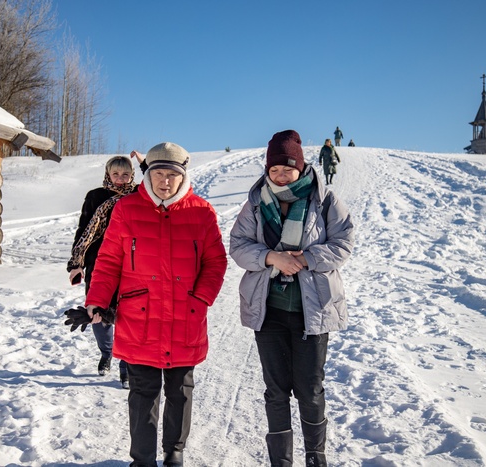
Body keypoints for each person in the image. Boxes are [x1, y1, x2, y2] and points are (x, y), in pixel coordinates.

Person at [85, 142, 227, 467]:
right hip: (139, 317)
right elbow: (108, 261)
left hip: (185, 316)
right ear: (148, 175)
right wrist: (97, 300)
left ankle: (174, 453)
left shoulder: (201, 212)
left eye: (172, 175)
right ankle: (142, 459)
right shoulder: (126, 209)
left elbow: (216, 261)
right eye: (159, 173)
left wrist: (201, 298)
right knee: (142, 393)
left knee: (180, 390)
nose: (165, 181)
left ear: (183, 176)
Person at [229, 130, 354, 467]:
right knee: (275, 390)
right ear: (267, 171)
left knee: (310, 389)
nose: (280, 176)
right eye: (274, 170)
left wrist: (307, 259)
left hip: (311, 312)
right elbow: (238, 245)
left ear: (300, 167)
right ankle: (280, 462)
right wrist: (272, 258)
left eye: (287, 169)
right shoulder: (256, 202)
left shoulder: (324, 200)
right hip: (268, 311)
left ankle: (316, 457)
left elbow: (343, 242)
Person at [67, 153, 146, 389]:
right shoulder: (96, 196)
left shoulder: (140, 195)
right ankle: (106, 352)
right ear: (107, 174)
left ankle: (125, 367)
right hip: (99, 262)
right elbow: (84, 230)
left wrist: (144, 163)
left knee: (126, 314)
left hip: (131, 263)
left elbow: (156, 178)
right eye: (116, 174)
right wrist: (76, 263)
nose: (121, 179)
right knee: (98, 313)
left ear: (132, 175)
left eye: (126, 174)